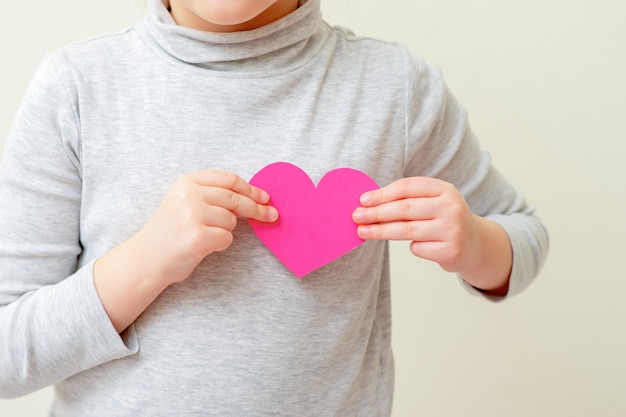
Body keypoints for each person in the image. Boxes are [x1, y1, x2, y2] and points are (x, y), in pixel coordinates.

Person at [0, 0, 549, 415]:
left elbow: (522, 233)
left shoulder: (393, 87)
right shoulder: (75, 88)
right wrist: (143, 262)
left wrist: (477, 243)